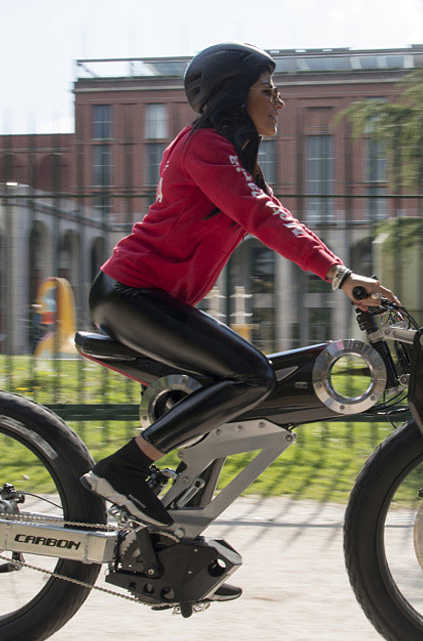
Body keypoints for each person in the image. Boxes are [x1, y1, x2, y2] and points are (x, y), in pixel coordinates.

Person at [80, 42, 396, 532]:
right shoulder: (203, 148)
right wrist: (340, 276)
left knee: (228, 404)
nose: (279, 101)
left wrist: (341, 273)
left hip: (149, 300)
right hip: (131, 296)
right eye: (267, 90)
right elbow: (261, 217)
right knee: (251, 375)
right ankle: (124, 469)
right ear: (234, 96)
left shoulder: (227, 154)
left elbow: (278, 217)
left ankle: (172, 542)